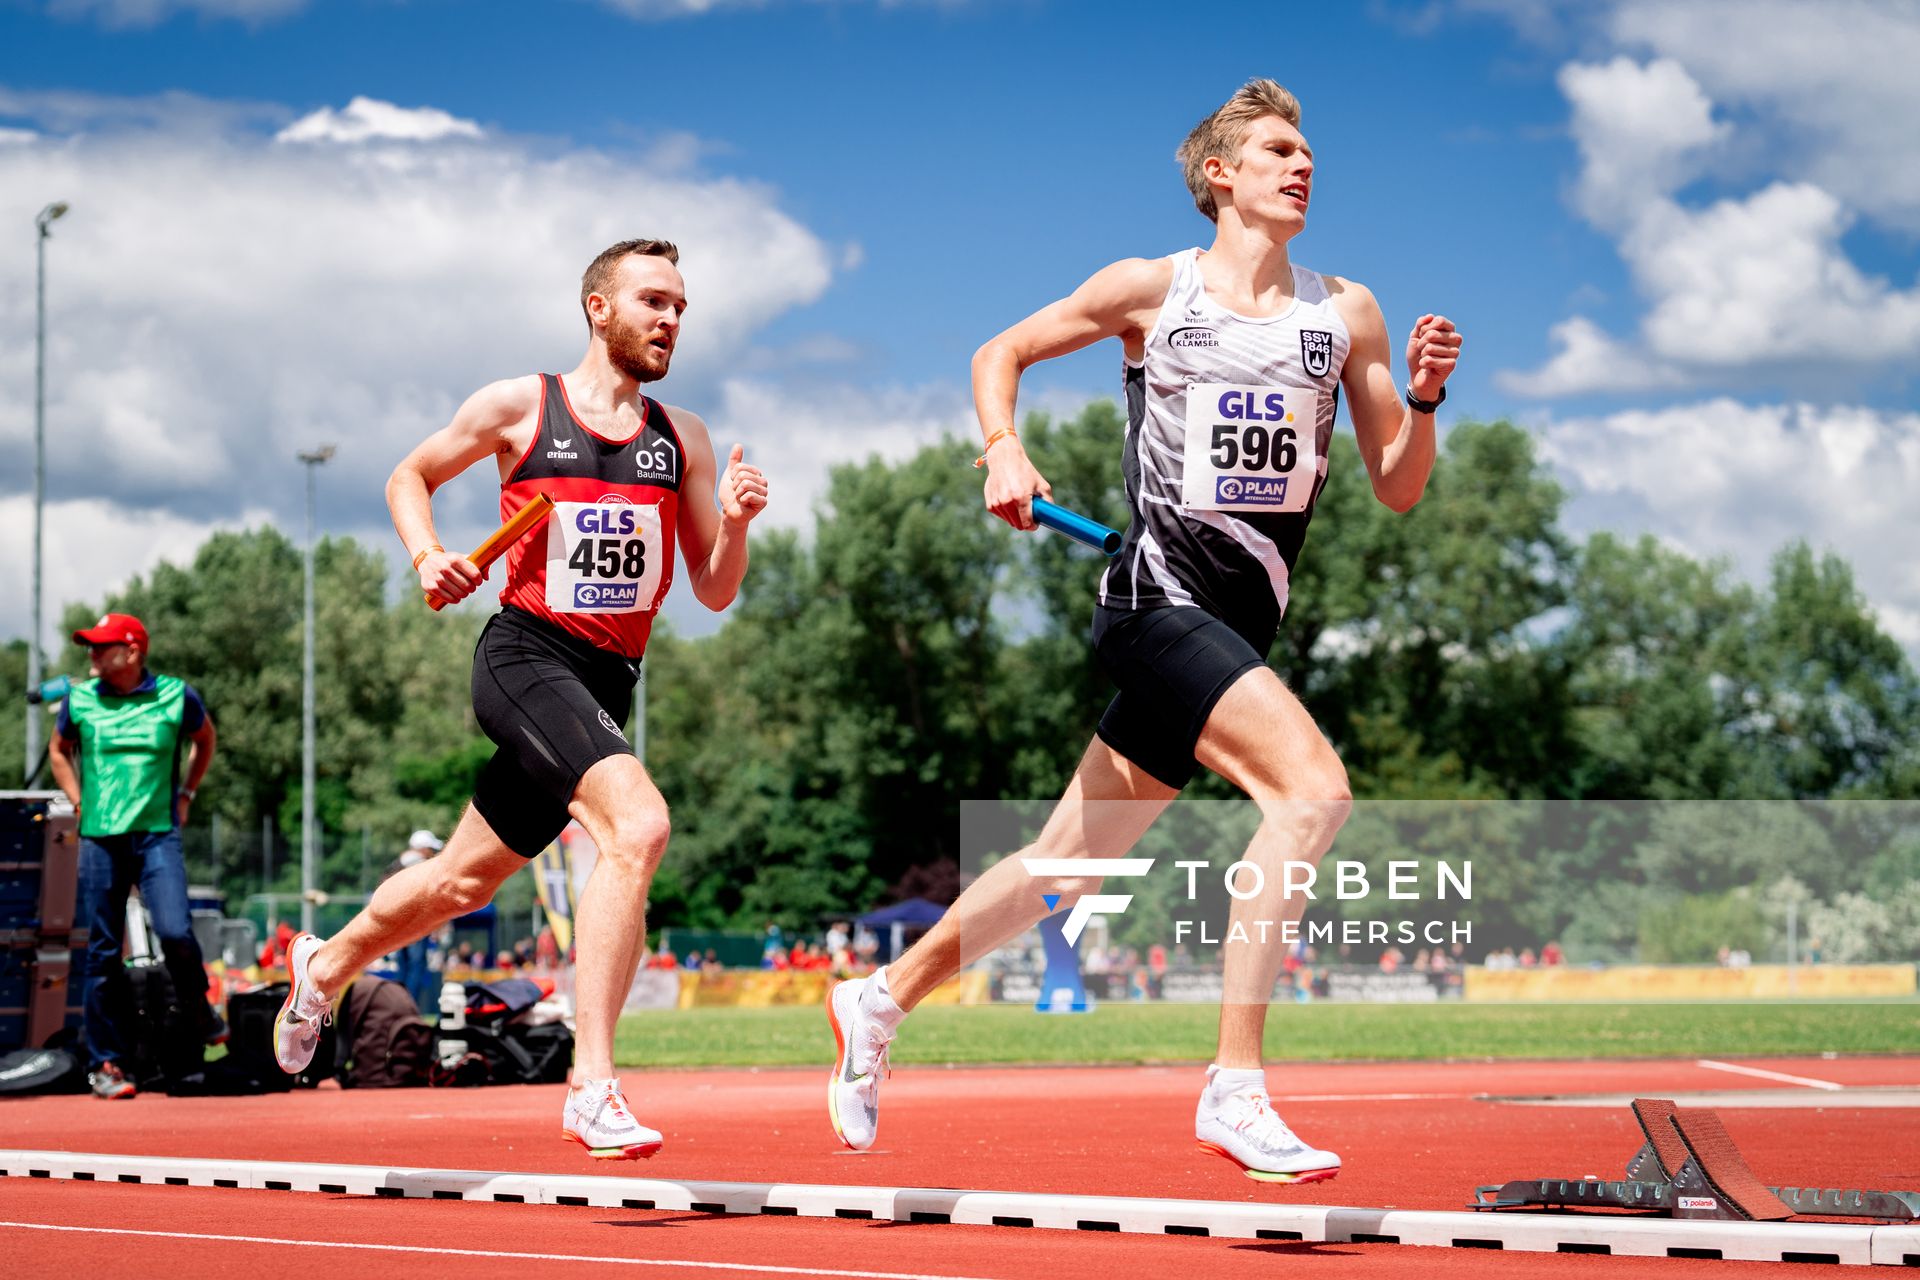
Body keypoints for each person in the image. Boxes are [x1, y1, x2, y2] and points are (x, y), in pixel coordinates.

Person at [826, 79, 1461, 1183]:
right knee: (1312, 792)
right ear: (1220, 175)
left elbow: (1397, 486)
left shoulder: (1343, 311)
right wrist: (1002, 449)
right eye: (1277, 150)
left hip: (1239, 627)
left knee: (1064, 863)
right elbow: (1000, 352)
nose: (1302, 165)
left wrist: (1425, 402)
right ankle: (1235, 1085)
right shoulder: (1151, 289)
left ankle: (878, 998)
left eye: (1308, 153)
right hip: (1153, 601)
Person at [270, 237, 769, 1161]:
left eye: (680, 308)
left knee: (462, 881)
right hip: (527, 655)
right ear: (598, 307)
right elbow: (406, 476)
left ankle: (326, 962)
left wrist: (733, 525)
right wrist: (428, 556)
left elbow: (713, 587)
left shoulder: (682, 438)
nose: (670, 320)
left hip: (605, 683)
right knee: (638, 826)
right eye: (653, 301)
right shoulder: (519, 407)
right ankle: (593, 1085)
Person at [49, 612, 223, 1100]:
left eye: (102, 647)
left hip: (157, 833)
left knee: (175, 931)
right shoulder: (79, 699)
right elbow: (58, 748)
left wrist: (187, 792)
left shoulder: (175, 694)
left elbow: (204, 739)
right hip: (100, 836)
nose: (92, 655)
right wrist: (78, 800)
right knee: (103, 950)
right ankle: (109, 1063)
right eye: (90, 647)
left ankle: (199, 1009)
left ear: (132, 651)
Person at [382, 829, 444, 1012]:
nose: (433, 853)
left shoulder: (396, 864)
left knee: (403, 965)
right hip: (416, 921)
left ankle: (398, 1008)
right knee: (416, 966)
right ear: (422, 848)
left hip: (398, 921)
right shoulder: (422, 864)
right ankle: (408, 1009)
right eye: (430, 848)